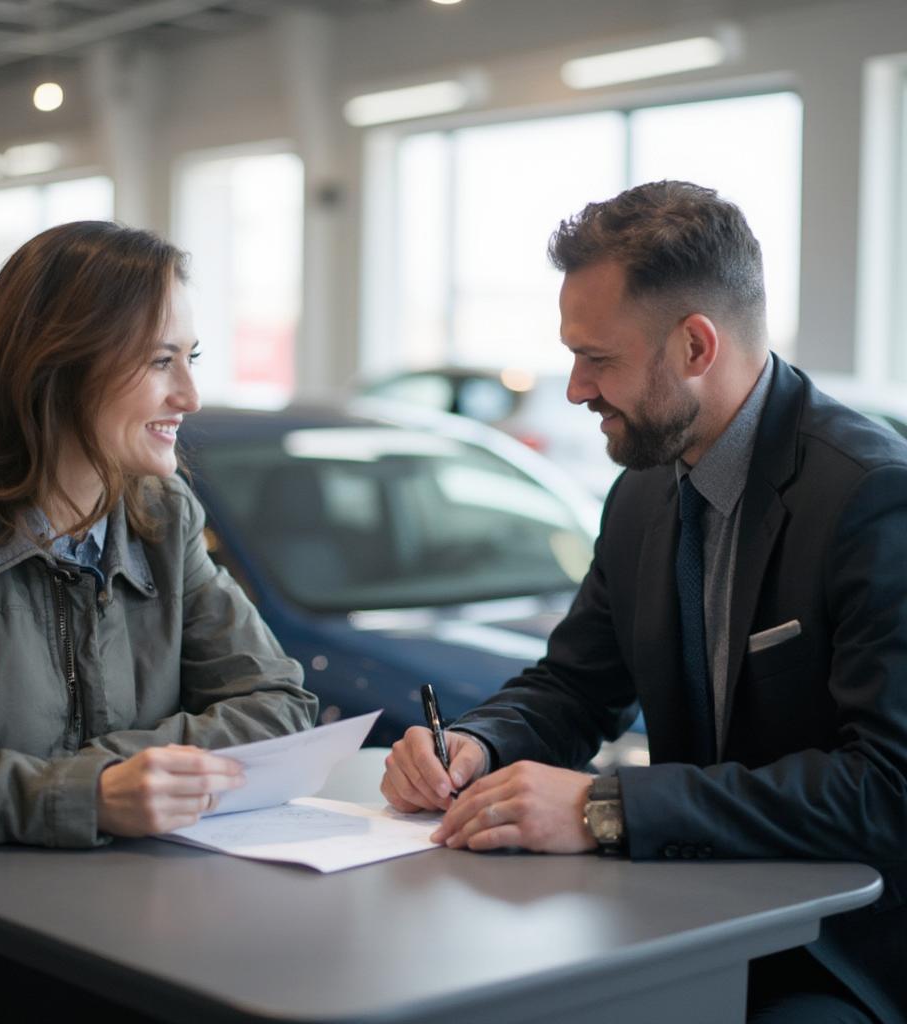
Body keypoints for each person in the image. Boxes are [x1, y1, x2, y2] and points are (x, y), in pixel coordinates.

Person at [381, 182, 907, 1024]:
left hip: (839, 954)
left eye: (600, 359)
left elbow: (885, 789)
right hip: (681, 912)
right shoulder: (642, 494)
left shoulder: (871, 497)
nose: (575, 390)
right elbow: (575, 685)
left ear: (696, 346)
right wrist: (477, 743)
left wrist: (603, 807)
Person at [0, 220, 317, 847]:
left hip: (135, 911)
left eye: (189, 359)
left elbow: (280, 704)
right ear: (56, 365)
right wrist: (86, 793)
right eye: (160, 361)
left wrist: (114, 775)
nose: (190, 395)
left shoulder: (166, 520)